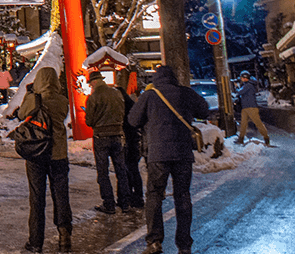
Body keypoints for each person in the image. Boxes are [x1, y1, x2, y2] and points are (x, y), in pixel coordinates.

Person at [128, 65, 209, 254]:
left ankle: (154, 242)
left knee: (155, 195)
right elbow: (204, 111)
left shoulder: (150, 95)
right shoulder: (186, 93)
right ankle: (184, 245)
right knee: (182, 196)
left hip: (158, 154)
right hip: (182, 153)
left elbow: (133, 120)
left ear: (156, 79)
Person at [18, 67, 72, 254]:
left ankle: (35, 241)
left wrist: (31, 94)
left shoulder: (34, 99)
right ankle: (65, 237)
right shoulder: (62, 101)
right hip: (58, 155)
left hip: (37, 154)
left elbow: (21, 115)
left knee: (37, 198)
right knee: (61, 196)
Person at [84, 70, 131, 214]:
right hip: (117, 134)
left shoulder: (93, 97)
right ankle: (125, 202)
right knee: (121, 169)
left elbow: (89, 121)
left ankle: (109, 203)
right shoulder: (116, 94)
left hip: (101, 136)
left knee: (103, 171)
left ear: (94, 82)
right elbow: (123, 113)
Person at [115, 72, 145, 209]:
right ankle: (137, 196)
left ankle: (127, 197)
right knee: (133, 169)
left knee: (128, 170)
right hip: (135, 142)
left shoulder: (122, 108)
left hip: (128, 142)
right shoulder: (132, 105)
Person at [234, 70, 270, 146]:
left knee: (258, 123)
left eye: (241, 77)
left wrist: (237, 87)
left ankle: (266, 137)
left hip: (251, 107)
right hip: (246, 107)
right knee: (243, 124)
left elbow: (240, 92)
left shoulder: (249, 85)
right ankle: (241, 138)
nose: (240, 79)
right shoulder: (248, 84)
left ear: (244, 78)